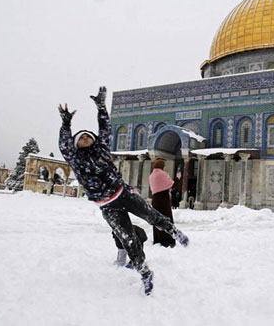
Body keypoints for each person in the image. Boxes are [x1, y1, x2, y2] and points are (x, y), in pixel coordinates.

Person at [58, 86, 189, 296]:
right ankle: (145, 273)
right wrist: (66, 124)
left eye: (87, 137)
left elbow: (105, 129)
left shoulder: (101, 148)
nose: (85, 140)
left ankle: (174, 232)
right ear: (76, 144)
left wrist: (101, 108)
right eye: (80, 139)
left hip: (123, 193)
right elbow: (64, 146)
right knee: (129, 240)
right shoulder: (75, 159)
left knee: (151, 215)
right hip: (107, 206)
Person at [149, 159, 176, 247]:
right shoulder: (162, 174)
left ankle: (158, 238)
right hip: (163, 199)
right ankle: (168, 240)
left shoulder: (152, 175)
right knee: (167, 218)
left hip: (155, 199)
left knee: (157, 219)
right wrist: (178, 178)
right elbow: (171, 185)